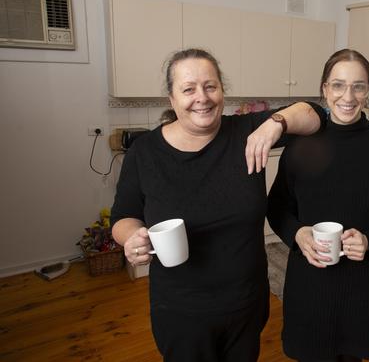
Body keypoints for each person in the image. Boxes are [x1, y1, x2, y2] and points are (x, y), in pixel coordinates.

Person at [110, 48, 327, 362]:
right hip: (180, 310)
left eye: (211, 86)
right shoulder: (144, 153)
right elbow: (123, 216)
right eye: (188, 89)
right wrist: (131, 238)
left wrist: (275, 123)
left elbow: (315, 115)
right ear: (171, 99)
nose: (202, 97)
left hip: (246, 302)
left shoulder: (245, 132)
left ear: (222, 91)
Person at [267, 49, 369, 361]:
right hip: (308, 289)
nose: (348, 96)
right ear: (324, 89)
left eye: (358, 86)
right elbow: (276, 208)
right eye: (338, 85)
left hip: (362, 292)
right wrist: (298, 234)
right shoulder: (299, 146)